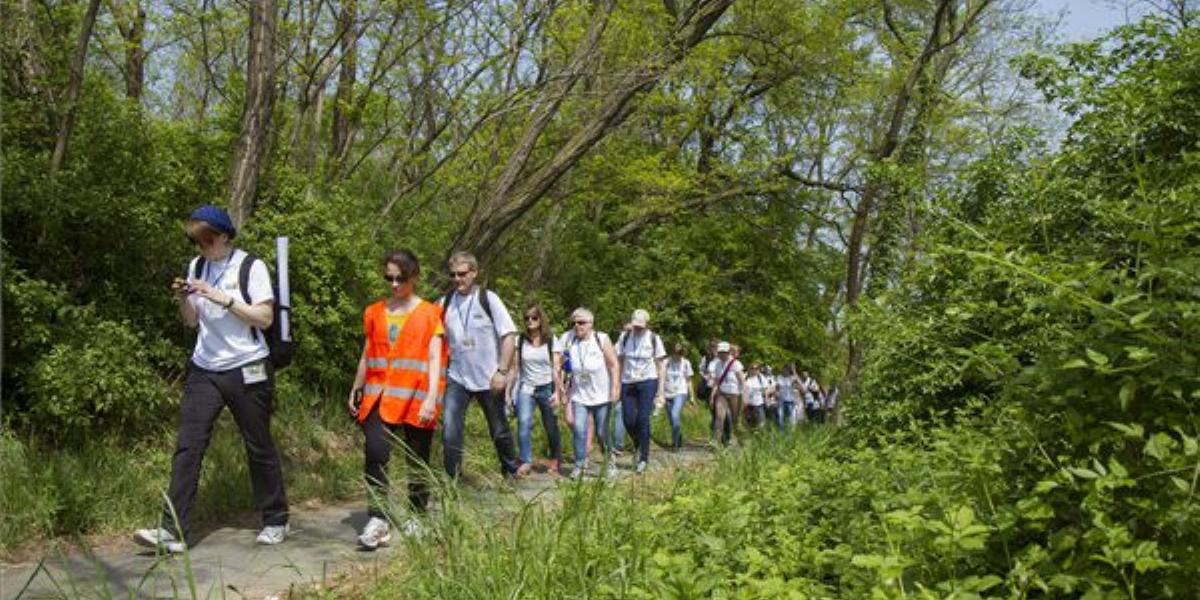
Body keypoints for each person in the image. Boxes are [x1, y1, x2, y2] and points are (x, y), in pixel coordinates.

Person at [135, 205, 288, 554]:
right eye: (196, 241)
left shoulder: (252, 267)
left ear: (224, 236)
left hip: (248, 366)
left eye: (206, 240)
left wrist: (224, 297)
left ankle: (276, 518)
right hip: (205, 367)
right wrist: (184, 298)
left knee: (258, 444)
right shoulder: (197, 267)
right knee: (188, 446)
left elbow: (264, 318)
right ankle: (173, 530)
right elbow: (191, 321)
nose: (201, 248)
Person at [347, 250, 446, 549]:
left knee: (417, 460)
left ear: (414, 277)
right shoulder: (375, 311)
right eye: (388, 277)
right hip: (379, 395)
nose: (393, 284)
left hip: (416, 397)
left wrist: (431, 397)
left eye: (400, 278)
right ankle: (378, 518)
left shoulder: (430, 313)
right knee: (375, 452)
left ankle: (417, 515)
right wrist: (356, 385)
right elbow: (368, 351)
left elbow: (434, 356)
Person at [439, 251, 529, 479]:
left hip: (489, 378)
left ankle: (510, 467)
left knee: (498, 429)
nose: (457, 279)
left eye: (462, 274)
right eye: (453, 275)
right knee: (450, 428)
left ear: (474, 272)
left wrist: (502, 371)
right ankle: (452, 480)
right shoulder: (444, 302)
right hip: (457, 377)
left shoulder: (488, 299)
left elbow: (509, 336)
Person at [557, 308, 620, 478]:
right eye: (574, 323)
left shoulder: (601, 338)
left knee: (601, 431)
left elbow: (614, 364)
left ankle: (610, 461)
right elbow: (557, 362)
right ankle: (579, 465)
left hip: (601, 394)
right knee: (579, 428)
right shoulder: (568, 339)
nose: (577, 326)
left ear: (591, 324)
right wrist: (560, 386)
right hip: (579, 394)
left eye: (582, 322)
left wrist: (615, 387)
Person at [506, 303, 563, 474]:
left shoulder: (552, 341)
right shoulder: (520, 340)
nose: (530, 321)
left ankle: (555, 458)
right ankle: (525, 460)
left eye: (534, 318)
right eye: (527, 318)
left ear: (541, 320)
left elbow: (556, 369)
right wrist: (508, 392)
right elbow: (515, 369)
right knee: (523, 423)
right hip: (526, 388)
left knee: (550, 425)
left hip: (546, 387)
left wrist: (557, 392)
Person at [614, 309, 667, 473]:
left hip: (647, 381)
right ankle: (639, 443)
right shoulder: (624, 338)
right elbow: (619, 361)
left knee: (643, 419)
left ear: (647, 325)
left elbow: (661, 365)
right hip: (628, 382)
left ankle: (644, 457)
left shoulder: (653, 339)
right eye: (635, 326)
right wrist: (616, 384)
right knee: (628, 419)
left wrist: (661, 391)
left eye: (641, 327)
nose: (637, 329)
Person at [707, 342, 745, 446]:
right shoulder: (717, 364)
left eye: (724, 352)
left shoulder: (736, 364)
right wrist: (712, 396)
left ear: (728, 352)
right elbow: (716, 381)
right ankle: (716, 441)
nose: (722, 354)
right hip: (722, 394)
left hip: (735, 394)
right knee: (719, 417)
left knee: (735, 420)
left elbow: (742, 381)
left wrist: (743, 397)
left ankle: (741, 441)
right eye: (720, 352)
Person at [663, 342, 695, 450]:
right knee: (672, 420)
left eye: (680, 352)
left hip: (681, 392)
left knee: (674, 414)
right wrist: (659, 393)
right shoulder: (666, 362)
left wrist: (691, 396)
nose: (678, 355)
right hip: (667, 393)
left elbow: (689, 380)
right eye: (676, 352)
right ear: (672, 352)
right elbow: (660, 377)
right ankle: (679, 438)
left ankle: (675, 444)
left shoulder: (686, 363)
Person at [743, 363, 769, 429]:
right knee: (748, 423)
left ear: (758, 370)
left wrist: (766, 399)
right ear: (749, 369)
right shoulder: (745, 377)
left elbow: (766, 388)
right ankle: (750, 437)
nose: (754, 370)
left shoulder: (761, 377)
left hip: (759, 404)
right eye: (752, 368)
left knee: (761, 423)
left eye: (756, 368)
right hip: (747, 405)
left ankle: (760, 436)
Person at [775, 364, 800, 430]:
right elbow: (777, 388)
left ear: (789, 370)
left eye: (787, 369)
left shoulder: (792, 378)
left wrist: (794, 371)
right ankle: (781, 434)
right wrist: (777, 395)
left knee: (792, 420)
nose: (785, 371)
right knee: (780, 417)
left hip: (791, 401)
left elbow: (800, 385)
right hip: (781, 401)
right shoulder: (779, 377)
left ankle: (792, 435)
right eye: (784, 369)